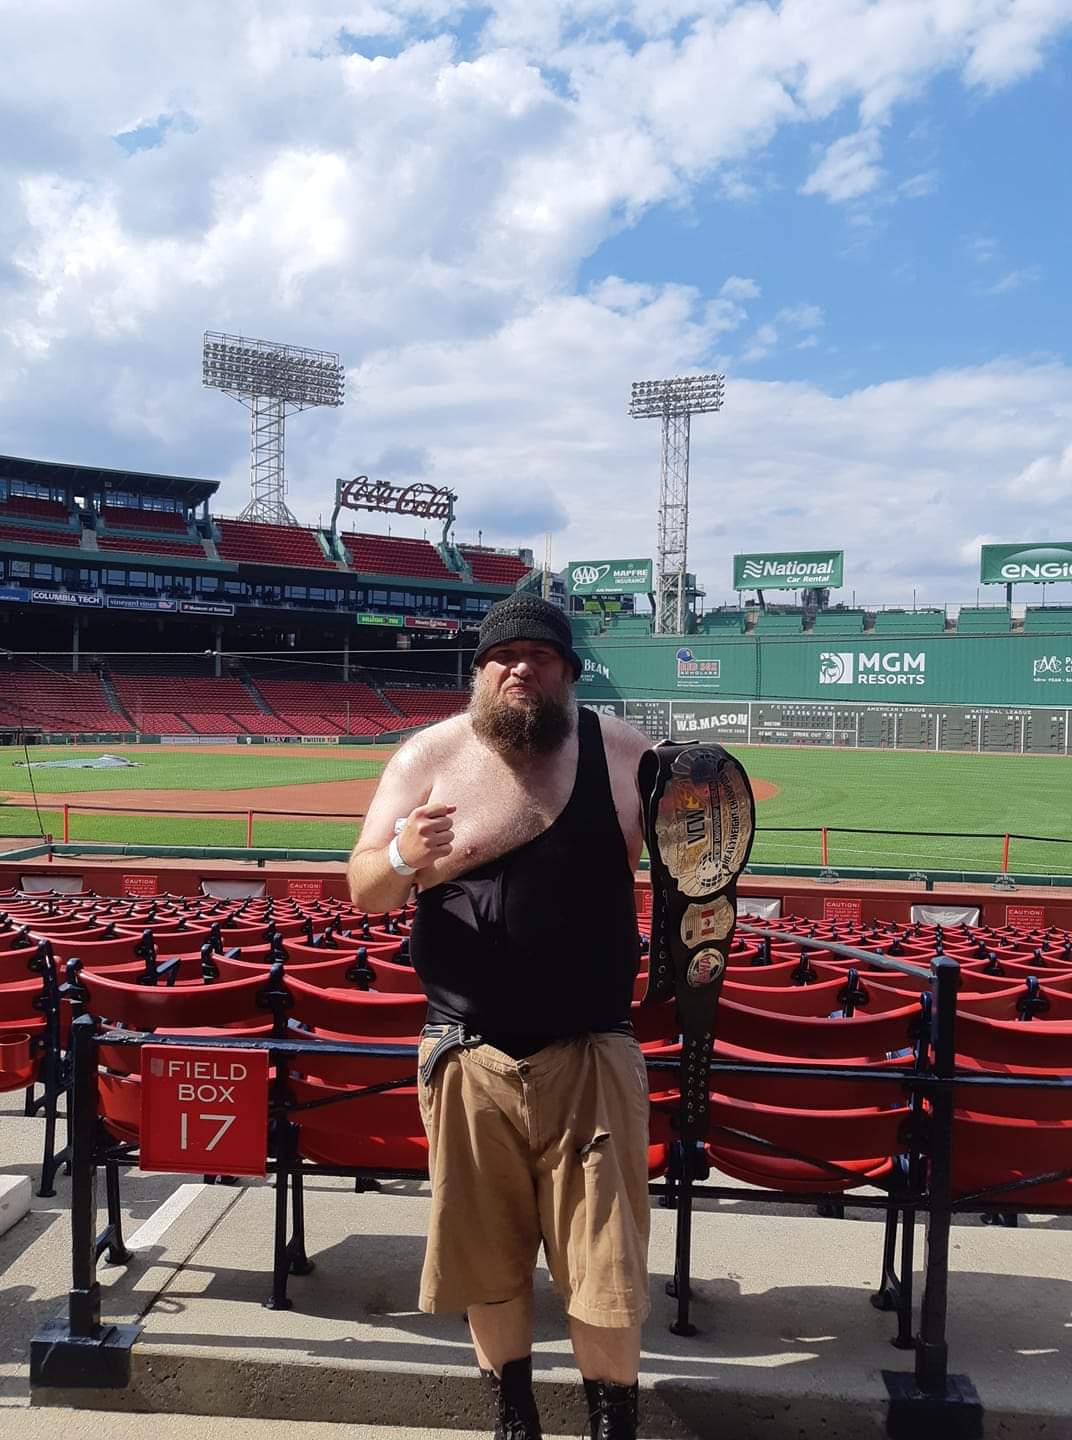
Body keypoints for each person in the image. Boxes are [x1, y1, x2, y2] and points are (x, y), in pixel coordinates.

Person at [348, 591, 652, 1440]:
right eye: (502, 654)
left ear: (568, 673)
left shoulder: (626, 755)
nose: (520, 666)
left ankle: (610, 1426)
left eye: (541, 655)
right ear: (479, 669)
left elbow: (697, 870)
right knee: (486, 1257)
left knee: (606, 1266)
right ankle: (513, 1421)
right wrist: (406, 855)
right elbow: (365, 889)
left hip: (592, 1047)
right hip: (467, 1051)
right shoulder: (427, 756)